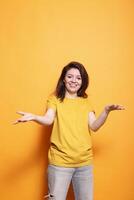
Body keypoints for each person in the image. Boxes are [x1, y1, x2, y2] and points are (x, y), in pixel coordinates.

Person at [14, 61, 125, 200]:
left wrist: (106, 111)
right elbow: (48, 119)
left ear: (83, 81)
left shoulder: (85, 102)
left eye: (78, 78)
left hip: (84, 163)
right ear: (64, 79)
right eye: (70, 76)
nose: (74, 81)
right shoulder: (54, 99)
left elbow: (94, 126)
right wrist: (34, 117)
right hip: (60, 163)